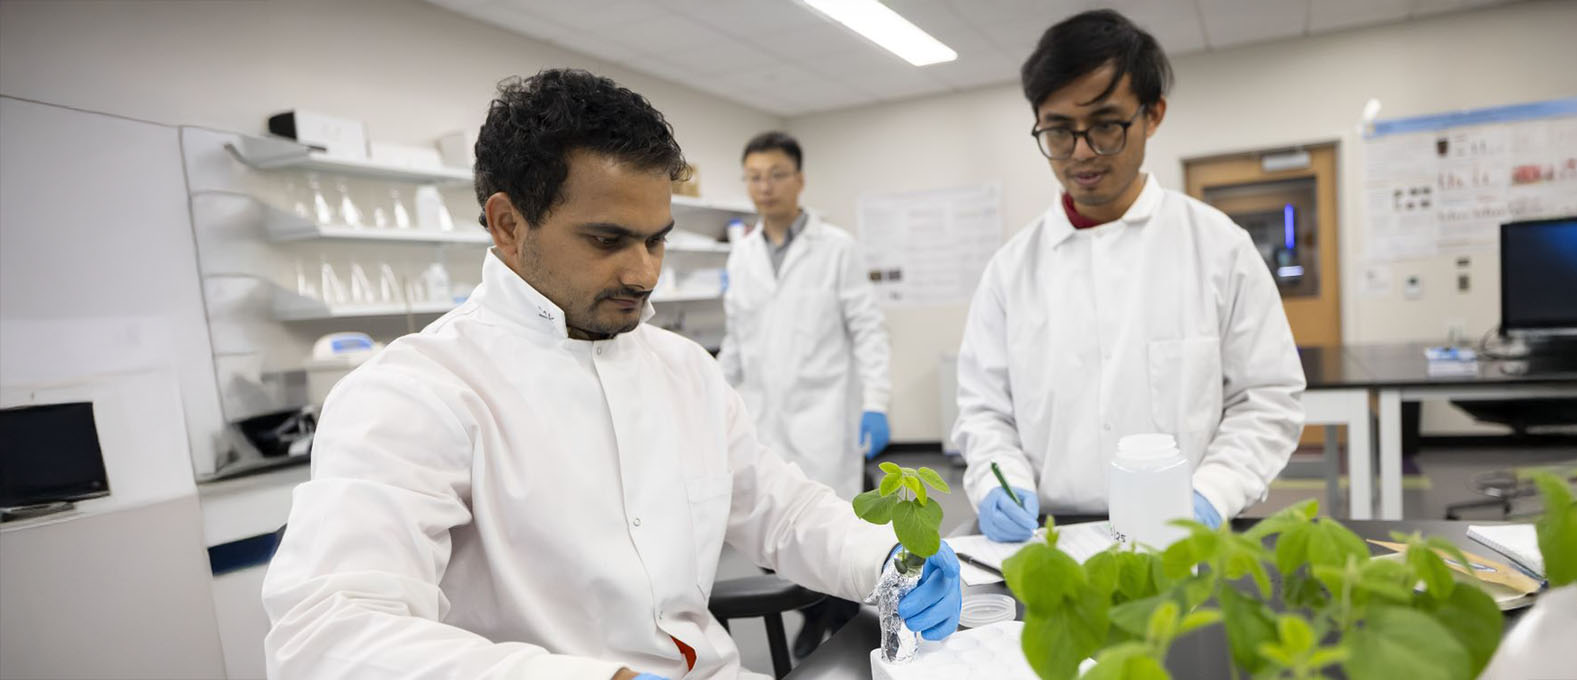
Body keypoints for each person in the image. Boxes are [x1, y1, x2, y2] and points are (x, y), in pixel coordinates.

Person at [261, 69, 958, 680]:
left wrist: (886, 558)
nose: (644, 272)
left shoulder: (683, 370)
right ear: (507, 225)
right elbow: (327, 635)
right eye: (608, 240)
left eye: (657, 240)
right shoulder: (415, 393)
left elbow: (783, 510)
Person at [954, 10, 1306, 542]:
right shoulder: (1010, 270)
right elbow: (983, 412)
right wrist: (998, 482)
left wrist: (1212, 494)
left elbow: (1267, 398)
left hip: (1180, 534)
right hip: (1047, 538)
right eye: (1058, 130)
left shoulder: (1219, 247)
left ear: (1152, 114)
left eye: (1105, 125)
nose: (1081, 153)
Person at [719, 131, 894, 657]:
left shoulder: (836, 247)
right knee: (767, 535)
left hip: (825, 416)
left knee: (830, 529)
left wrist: (876, 403)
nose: (765, 187)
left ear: (799, 179)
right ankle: (817, 615)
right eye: (754, 177)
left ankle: (835, 622)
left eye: (776, 174)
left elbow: (867, 329)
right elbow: (736, 340)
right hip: (762, 417)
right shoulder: (741, 255)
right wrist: (711, 396)